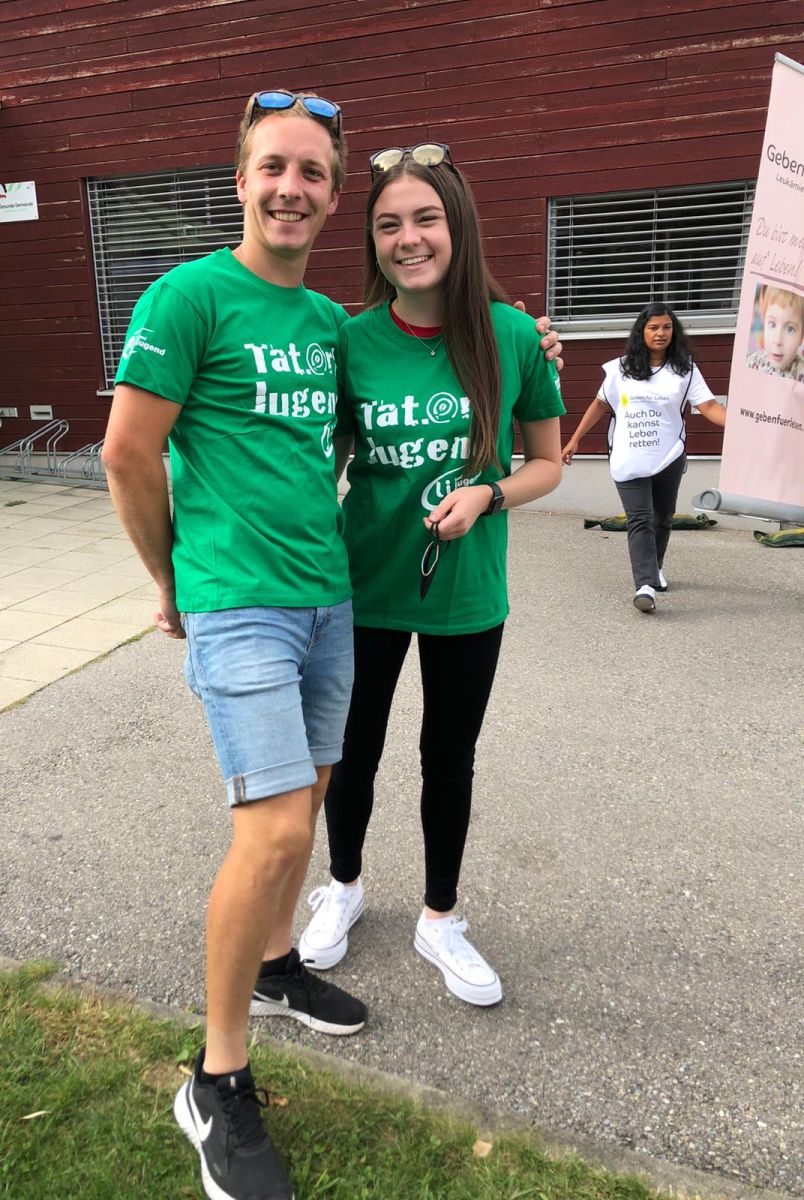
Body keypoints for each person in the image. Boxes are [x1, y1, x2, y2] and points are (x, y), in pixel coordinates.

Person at [102, 89, 366, 1200]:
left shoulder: (330, 325)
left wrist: (518, 342)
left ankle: (274, 965)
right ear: (242, 179)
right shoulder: (191, 295)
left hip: (327, 599)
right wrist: (174, 581)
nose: (291, 188)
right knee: (272, 832)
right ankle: (215, 1082)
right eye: (274, 167)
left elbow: (355, 431)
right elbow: (126, 451)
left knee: (307, 806)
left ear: (334, 195)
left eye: (312, 172)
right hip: (237, 601)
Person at [299, 142, 565, 1007]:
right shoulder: (349, 342)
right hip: (364, 586)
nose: (407, 238)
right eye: (388, 225)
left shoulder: (514, 335)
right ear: (371, 241)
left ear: (459, 227)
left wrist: (489, 494)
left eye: (425, 219)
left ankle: (439, 917)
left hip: (467, 591)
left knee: (449, 758)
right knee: (352, 753)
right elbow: (318, 460)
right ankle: (343, 886)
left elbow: (548, 464)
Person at [561, 302, 727, 612]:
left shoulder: (685, 370)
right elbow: (599, 404)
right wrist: (575, 439)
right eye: (653, 328)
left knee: (663, 517)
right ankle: (645, 585)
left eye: (666, 327)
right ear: (642, 332)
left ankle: (656, 568)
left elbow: (709, 407)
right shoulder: (621, 369)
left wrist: (742, 425)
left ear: (674, 331)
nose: (660, 333)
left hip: (669, 455)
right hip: (629, 455)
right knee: (640, 519)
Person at [746, 285, 804, 381]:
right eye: (772, 324)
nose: (777, 340)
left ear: (801, 336)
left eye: (789, 329)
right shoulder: (751, 363)